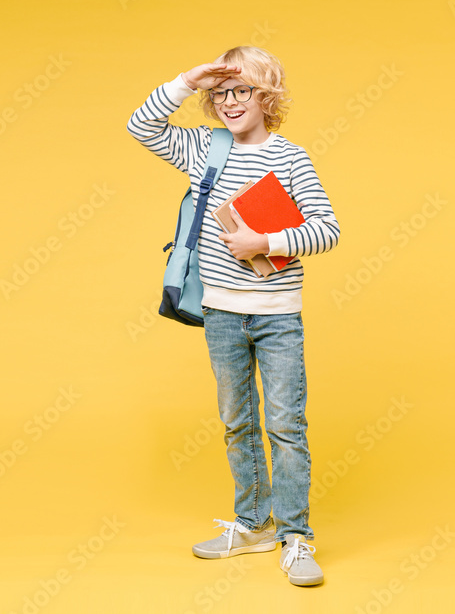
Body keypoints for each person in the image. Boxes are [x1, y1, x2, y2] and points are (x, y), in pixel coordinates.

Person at [126, 45, 341, 587]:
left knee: (286, 425)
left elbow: (327, 229)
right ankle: (253, 525)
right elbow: (141, 125)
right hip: (221, 312)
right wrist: (187, 78)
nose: (229, 102)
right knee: (236, 422)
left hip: (276, 316)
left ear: (267, 96)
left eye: (242, 90)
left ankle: (296, 537)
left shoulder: (290, 158)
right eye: (220, 93)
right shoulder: (205, 147)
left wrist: (263, 242)